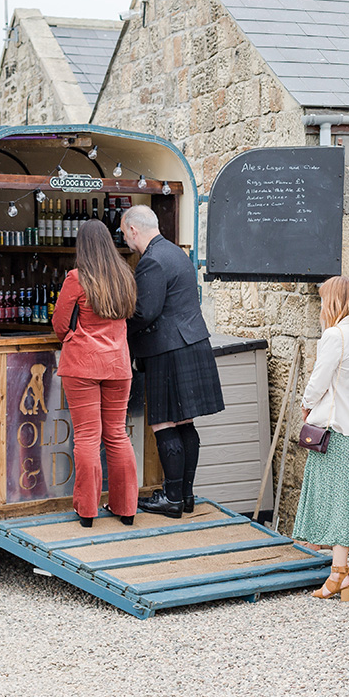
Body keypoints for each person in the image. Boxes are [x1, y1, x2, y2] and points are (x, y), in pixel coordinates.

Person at [121, 205, 225, 519]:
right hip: (190, 344)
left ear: (133, 230)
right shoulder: (175, 253)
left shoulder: (151, 260)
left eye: (124, 233)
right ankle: (185, 495)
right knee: (185, 423)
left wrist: (117, 326)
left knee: (164, 422)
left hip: (168, 350)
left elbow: (145, 312)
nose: (124, 238)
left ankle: (171, 499)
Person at [292, 276, 349, 600]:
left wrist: (305, 405)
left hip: (338, 432)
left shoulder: (335, 335)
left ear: (333, 300)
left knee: (340, 506)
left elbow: (319, 378)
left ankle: (337, 575)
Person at [53, 221, 139, 528]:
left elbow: (60, 324)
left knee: (87, 437)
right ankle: (126, 508)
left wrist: (74, 336)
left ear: (83, 246)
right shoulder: (125, 276)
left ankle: (87, 511)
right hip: (118, 364)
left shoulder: (76, 279)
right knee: (116, 434)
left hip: (83, 366)